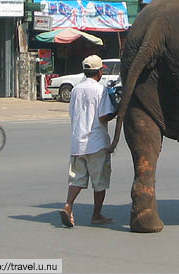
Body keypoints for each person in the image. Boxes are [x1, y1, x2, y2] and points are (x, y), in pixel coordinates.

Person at [59, 55, 118, 228]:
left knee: (76, 179)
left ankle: (68, 205)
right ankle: (97, 214)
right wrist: (116, 110)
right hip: (96, 143)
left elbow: (72, 113)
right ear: (99, 72)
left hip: (78, 143)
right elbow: (103, 117)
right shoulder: (100, 90)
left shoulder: (76, 90)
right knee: (99, 182)